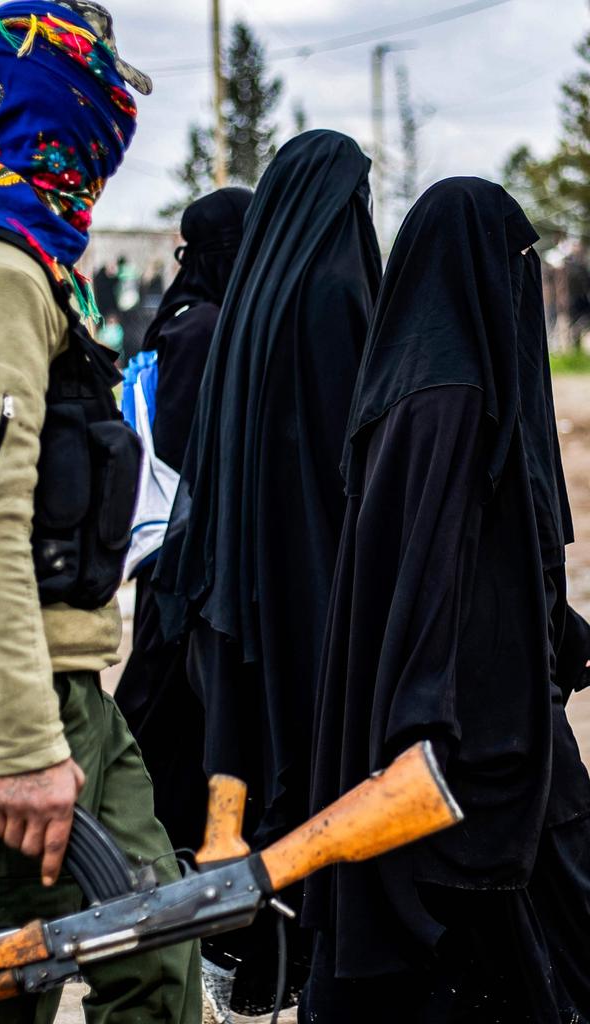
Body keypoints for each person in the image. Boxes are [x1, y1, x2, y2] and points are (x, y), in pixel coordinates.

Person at [0, 3, 200, 1022]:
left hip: (55, 682)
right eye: (101, 88)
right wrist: (20, 749)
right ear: (62, 100)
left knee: (155, 952)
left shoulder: (16, 254)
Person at [300, 177, 590, 1024]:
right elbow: (430, 568)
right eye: (518, 264)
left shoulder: (426, 381)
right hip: (468, 723)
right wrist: (426, 721)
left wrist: (558, 630)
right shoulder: (450, 400)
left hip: (488, 701)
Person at [155, 130, 382, 1018]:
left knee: (244, 769)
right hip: (315, 586)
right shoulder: (334, 298)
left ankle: (249, 953)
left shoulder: (245, 306)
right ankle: (308, 955)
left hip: (233, 591)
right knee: (322, 766)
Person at [115, 186, 253, 857]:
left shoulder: (193, 314)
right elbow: (181, 448)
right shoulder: (201, 328)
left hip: (179, 555)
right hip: (179, 557)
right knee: (161, 711)